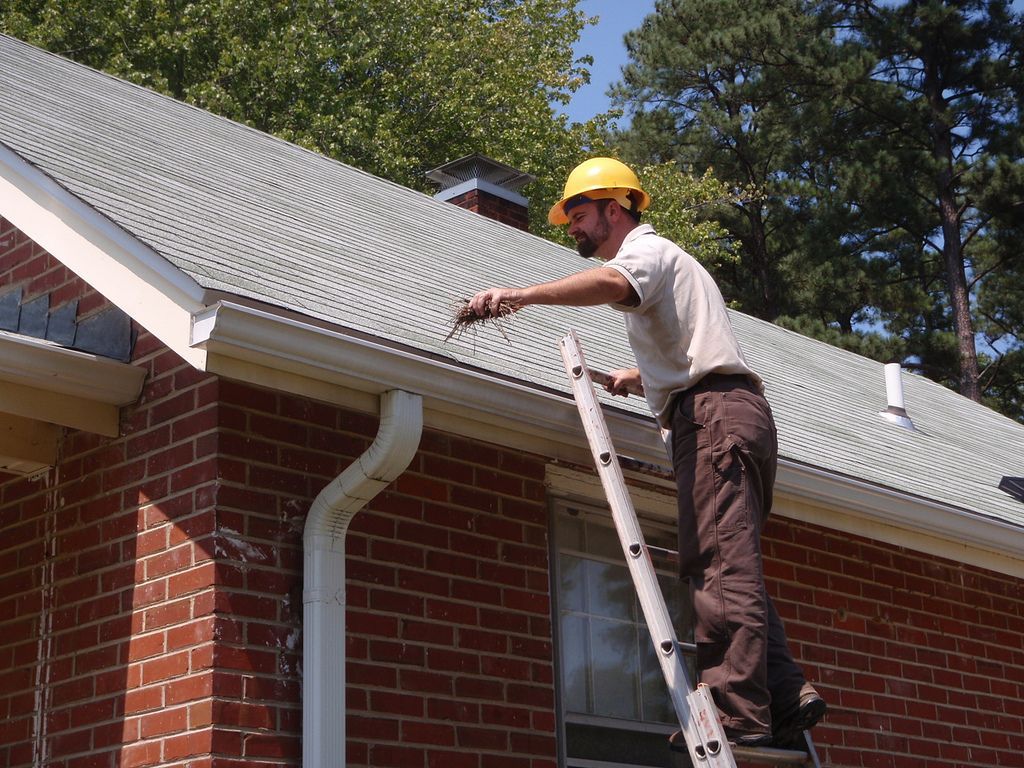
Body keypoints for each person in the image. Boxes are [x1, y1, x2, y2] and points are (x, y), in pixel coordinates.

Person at [469, 157, 825, 749]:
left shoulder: (646, 252)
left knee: (717, 564)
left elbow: (615, 285)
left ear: (616, 208)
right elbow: (692, 345)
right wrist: (643, 378)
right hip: (731, 413)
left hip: (711, 418)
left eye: (579, 215)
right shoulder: (674, 264)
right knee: (734, 561)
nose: (573, 228)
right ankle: (786, 693)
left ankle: (735, 712)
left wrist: (522, 295)